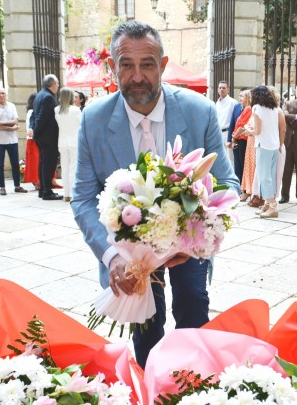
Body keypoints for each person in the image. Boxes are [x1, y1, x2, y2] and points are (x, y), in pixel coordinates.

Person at [71, 21, 238, 368]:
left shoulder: (200, 111)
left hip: (188, 249)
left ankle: (196, 386)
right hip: (128, 256)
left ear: (162, 65)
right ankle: (151, 386)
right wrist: (113, 258)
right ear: (112, 68)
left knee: (193, 311)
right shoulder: (94, 119)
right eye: (126, 65)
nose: (137, 76)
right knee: (146, 331)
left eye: (147, 64)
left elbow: (228, 185)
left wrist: (192, 241)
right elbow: (83, 198)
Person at [242, 85, 285, 218]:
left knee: (264, 176)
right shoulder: (274, 108)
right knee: (269, 176)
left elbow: (257, 131)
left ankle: (272, 206)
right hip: (274, 145)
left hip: (264, 145)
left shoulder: (256, 108)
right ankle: (267, 203)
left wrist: (247, 131)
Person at [0, 87, 27, 196]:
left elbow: (15, 120)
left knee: (15, 164)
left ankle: (17, 185)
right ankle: (2, 187)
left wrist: (2, 123)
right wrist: (10, 127)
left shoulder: (12, 106)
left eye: (3, 93)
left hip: (12, 140)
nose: (1, 95)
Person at [33, 74, 62, 200]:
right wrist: (36, 131)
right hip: (47, 136)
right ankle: (47, 191)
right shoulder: (48, 97)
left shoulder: (39, 95)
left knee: (43, 163)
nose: (58, 86)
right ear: (53, 84)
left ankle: (42, 189)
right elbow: (41, 117)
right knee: (49, 164)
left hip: (42, 136)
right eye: (57, 83)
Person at [54, 88, 81, 202]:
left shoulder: (56, 109)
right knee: (73, 168)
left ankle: (66, 194)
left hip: (62, 142)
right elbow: (81, 125)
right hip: (74, 141)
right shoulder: (76, 110)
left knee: (64, 168)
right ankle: (72, 193)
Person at [230, 88, 252, 194]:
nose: (240, 98)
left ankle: (244, 190)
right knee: (238, 165)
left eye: (242, 96)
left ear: (248, 98)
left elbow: (243, 126)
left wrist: (234, 138)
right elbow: (235, 124)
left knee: (242, 165)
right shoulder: (242, 109)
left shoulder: (248, 109)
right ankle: (240, 188)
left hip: (243, 139)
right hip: (238, 139)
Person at [215, 80, 238, 163]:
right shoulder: (217, 103)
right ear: (217, 90)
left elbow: (236, 120)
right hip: (218, 133)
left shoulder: (233, 102)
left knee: (230, 158)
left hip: (228, 132)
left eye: (224, 88)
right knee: (220, 158)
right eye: (220, 88)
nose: (222, 89)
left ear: (228, 89)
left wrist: (233, 137)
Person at [23, 93, 40, 189]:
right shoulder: (31, 111)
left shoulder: (34, 111)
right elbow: (30, 125)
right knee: (34, 161)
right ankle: (36, 181)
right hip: (32, 140)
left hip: (34, 139)